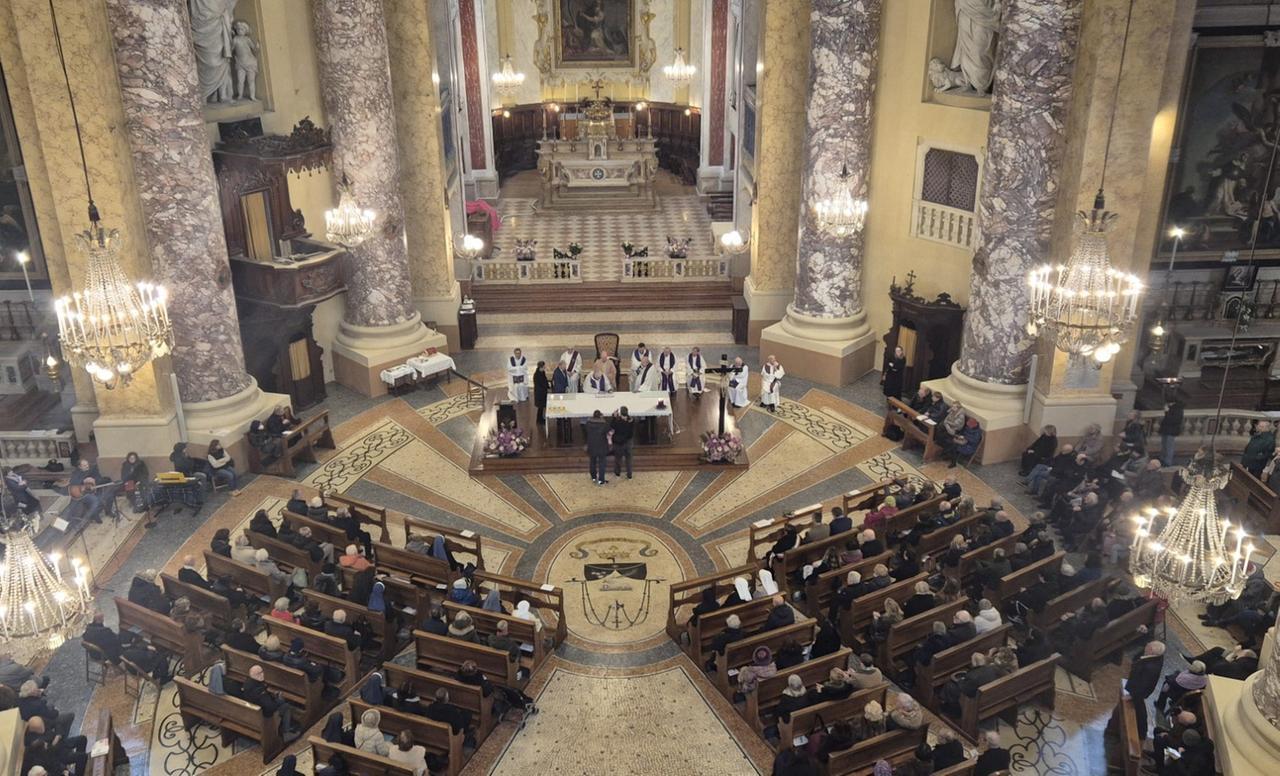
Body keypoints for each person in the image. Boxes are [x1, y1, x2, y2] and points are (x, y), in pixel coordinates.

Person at [1126, 640, 1165, 739]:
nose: (1146, 645)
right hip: (1138, 689)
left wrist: (1132, 695)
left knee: (1139, 709)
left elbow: (1142, 685)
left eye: (1148, 645)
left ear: (1151, 650)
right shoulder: (1157, 657)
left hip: (1138, 692)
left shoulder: (1150, 668)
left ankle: (1142, 732)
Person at [585, 409, 611, 485]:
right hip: (602, 446)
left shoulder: (588, 423)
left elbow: (585, 430)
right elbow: (609, 429)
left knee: (592, 462)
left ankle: (593, 477)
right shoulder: (604, 424)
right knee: (602, 463)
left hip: (592, 446)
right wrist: (603, 419)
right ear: (600, 416)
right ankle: (601, 480)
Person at [610, 407, 635, 479]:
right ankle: (629, 474)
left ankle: (617, 473)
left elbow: (612, 426)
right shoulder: (631, 420)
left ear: (620, 413)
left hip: (619, 442)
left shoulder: (618, 422)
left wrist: (614, 417)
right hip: (628, 441)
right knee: (629, 458)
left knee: (618, 458)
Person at [1159, 396, 1184, 466]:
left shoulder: (1177, 409)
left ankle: (1167, 461)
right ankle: (1162, 458)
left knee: (1169, 446)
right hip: (1167, 429)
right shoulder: (1174, 408)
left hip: (1171, 430)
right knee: (1164, 445)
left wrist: (1167, 412)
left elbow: (1172, 420)